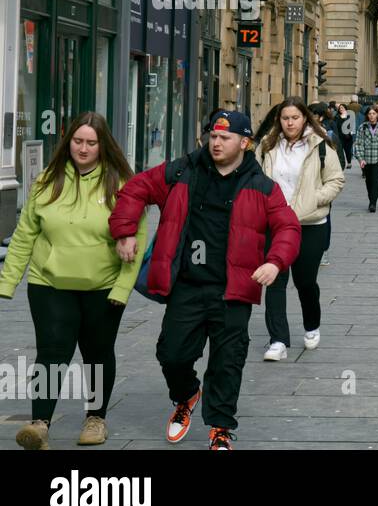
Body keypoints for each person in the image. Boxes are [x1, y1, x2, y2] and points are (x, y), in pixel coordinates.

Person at [109, 110, 301, 451]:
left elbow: (288, 227)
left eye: (225, 137)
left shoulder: (262, 186)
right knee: (171, 353)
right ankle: (186, 396)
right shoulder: (182, 171)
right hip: (187, 284)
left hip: (233, 291)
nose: (216, 142)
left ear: (244, 142)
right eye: (212, 135)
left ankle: (221, 428)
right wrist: (124, 231)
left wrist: (274, 262)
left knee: (228, 361)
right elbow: (136, 188)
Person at [0, 113, 146, 450]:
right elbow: (24, 235)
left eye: (91, 143)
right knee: (51, 352)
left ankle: (95, 419)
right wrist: (8, 282)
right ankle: (40, 424)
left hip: (103, 285)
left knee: (96, 353)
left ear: (102, 145)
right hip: (49, 283)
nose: (83, 148)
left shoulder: (123, 183)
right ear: (68, 143)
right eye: (78, 141)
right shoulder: (47, 181)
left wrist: (123, 287)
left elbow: (136, 238)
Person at [254, 98, 345, 361]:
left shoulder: (320, 145)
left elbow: (336, 180)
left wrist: (314, 199)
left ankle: (311, 324)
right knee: (274, 281)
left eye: (295, 117)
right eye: (285, 118)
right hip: (276, 223)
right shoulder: (268, 146)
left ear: (304, 118)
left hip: (309, 224)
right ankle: (278, 341)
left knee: (305, 282)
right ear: (278, 120)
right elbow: (256, 177)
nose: (290, 122)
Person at [338, 104, 356, 169]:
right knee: (340, 150)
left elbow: (352, 126)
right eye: (340, 108)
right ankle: (341, 163)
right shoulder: (337, 117)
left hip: (348, 137)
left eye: (342, 108)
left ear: (345, 108)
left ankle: (349, 163)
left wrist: (351, 134)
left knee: (348, 151)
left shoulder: (349, 116)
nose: (341, 109)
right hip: (340, 136)